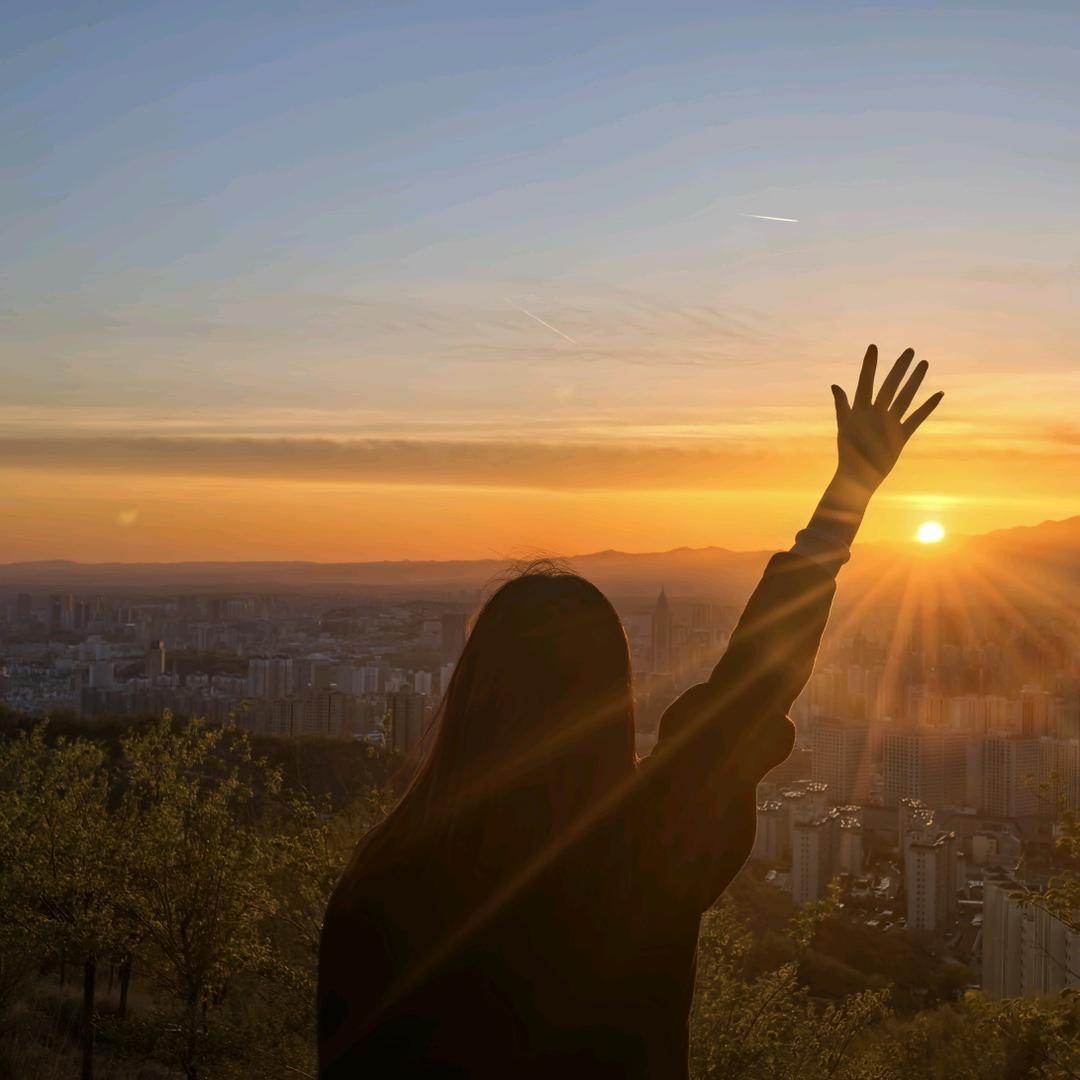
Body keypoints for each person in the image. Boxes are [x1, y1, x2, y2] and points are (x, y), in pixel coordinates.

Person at [317, 345, 944, 1079]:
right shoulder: (642, 849)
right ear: (608, 701)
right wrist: (846, 498)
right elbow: (747, 687)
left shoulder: (383, 884)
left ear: (474, 692)